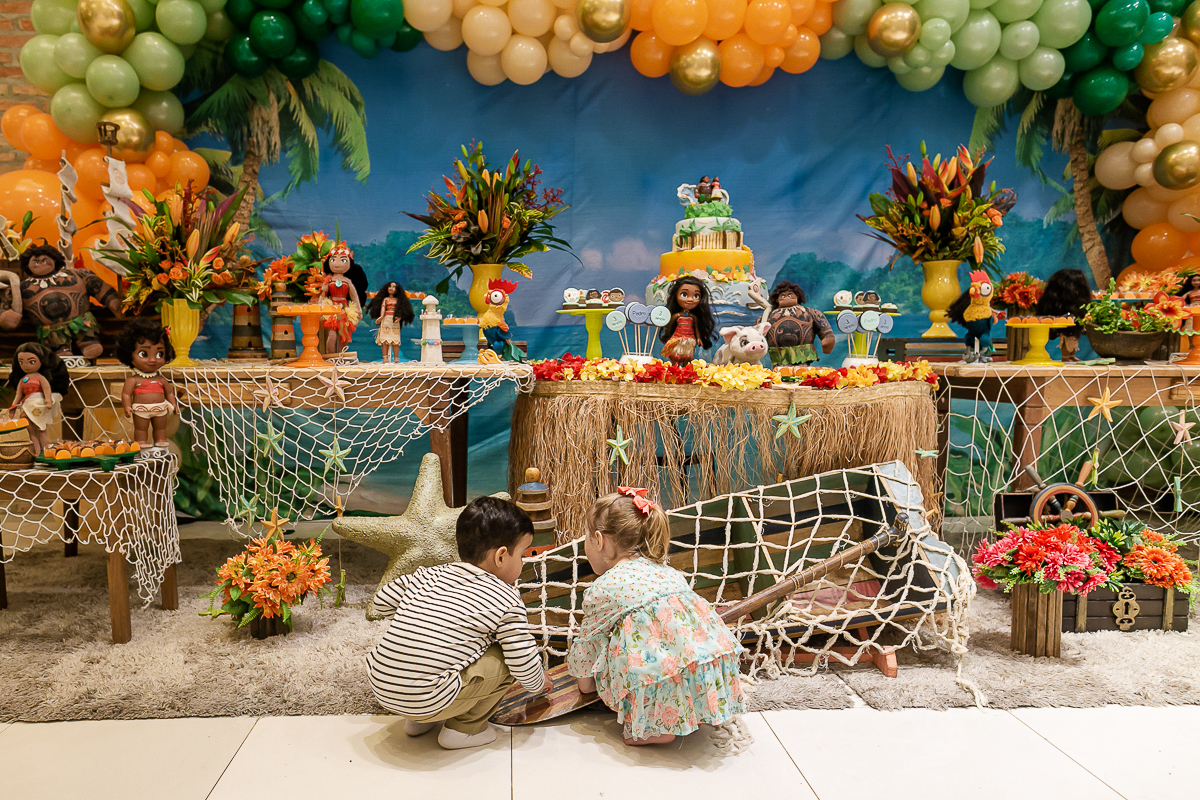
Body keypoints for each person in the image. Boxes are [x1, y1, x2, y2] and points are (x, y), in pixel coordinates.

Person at [366, 496, 552, 750]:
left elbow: (383, 601)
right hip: (428, 698)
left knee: (432, 659)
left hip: (383, 687)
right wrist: (539, 681)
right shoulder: (505, 598)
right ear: (501, 557)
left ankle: (418, 721)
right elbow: (522, 662)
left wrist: (422, 618)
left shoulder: (429, 574)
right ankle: (463, 730)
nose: (523, 562)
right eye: (522, 555)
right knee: (505, 657)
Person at [566, 488, 746, 746]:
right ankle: (700, 706)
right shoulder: (669, 573)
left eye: (584, 536)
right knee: (664, 644)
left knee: (634, 650)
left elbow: (588, 643)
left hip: (658, 677)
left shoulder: (604, 588)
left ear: (599, 540)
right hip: (706, 664)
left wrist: (585, 685)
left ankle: (656, 728)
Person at [116, 318, 178, 448]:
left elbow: (170, 393)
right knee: (140, 428)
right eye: (143, 354)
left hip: (160, 408)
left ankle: (160, 439)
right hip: (140, 409)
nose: (152, 360)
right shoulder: (133, 380)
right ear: (129, 354)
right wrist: (127, 406)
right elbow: (126, 394)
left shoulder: (161, 379)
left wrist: (173, 404)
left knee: (161, 428)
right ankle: (141, 441)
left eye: (159, 354)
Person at [5, 342, 68, 455]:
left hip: (38, 405)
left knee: (41, 428)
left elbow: (47, 389)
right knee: (30, 430)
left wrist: (48, 401)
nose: (26, 365)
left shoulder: (41, 378)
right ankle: (37, 452)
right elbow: (18, 395)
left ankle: (45, 450)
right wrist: (13, 408)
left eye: (32, 361)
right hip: (27, 406)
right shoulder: (22, 380)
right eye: (21, 362)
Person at [759, 280, 834, 366]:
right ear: (776, 299)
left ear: (798, 296)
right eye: (782, 295)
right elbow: (758, 331)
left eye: (790, 295)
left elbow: (823, 326)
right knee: (780, 374)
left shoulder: (811, 313)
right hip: (779, 357)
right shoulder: (768, 315)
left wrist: (827, 339)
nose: (786, 297)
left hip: (803, 356)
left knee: (802, 373)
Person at [317, 242, 368, 354]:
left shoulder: (348, 281)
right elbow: (323, 295)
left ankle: (341, 355)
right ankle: (330, 356)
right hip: (332, 309)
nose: (337, 263)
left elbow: (354, 297)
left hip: (344, 310)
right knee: (332, 335)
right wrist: (318, 308)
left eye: (343, 260)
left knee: (344, 334)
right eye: (333, 260)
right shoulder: (328, 281)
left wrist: (359, 311)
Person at [1036, 268, 1091, 362]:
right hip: (1065, 327)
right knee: (1066, 337)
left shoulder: (1078, 312)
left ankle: (1070, 356)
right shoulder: (1064, 312)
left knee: (1071, 336)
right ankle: (1066, 357)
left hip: (1071, 327)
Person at [659, 275, 716, 365]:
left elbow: (696, 328)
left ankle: (686, 370)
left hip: (689, 339)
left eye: (696, 296)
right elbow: (669, 326)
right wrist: (667, 335)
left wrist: (699, 338)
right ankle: (675, 369)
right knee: (675, 355)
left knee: (687, 357)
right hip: (678, 337)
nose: (690, 299)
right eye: (684, 295)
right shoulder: (677, 316)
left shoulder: (693, 317)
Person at [365, 281, 415, 363]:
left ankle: (396, 357)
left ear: (397, 290)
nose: (391, 288)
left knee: (395, 340)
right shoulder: (386, 299)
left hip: (394, 321)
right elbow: (383, 308)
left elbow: (401, 309)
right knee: (384, 340)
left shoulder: (398, 300)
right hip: (386, 319)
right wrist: (381, 317)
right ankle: (385, 357)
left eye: (394, 287)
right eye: (390, 286)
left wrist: (399, 316)